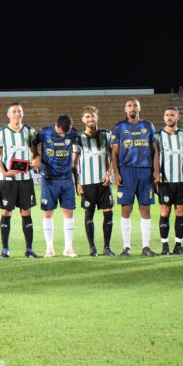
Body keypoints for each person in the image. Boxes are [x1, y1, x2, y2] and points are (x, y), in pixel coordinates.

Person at [110, 98, 160, 257]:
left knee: (145, 207)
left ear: (140, 108)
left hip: (145, 171)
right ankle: (126, 247)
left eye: (135, 106)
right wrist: (116, 173)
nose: (132, 108)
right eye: (129, 106)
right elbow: (115, 153)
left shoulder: (148, 126)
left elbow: (155, 150)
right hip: (126, 171)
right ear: (125, 109)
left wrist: (156, 171)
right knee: (126, 208)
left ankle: (146, 247)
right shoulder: (119, 127)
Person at [0, 101, 39, 259]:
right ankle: (5, 250)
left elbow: (34, 154)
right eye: (14, 112)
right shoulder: (0, 132)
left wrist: (37, 160)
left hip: (25, 179)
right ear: (8, 114)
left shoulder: (30, 131)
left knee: (26, 212)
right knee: (6, 211)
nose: (17, 114)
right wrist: (5, 172)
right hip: (8, 180)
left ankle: (29, 249)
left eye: (20, 111)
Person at [72, 106, 115, 257]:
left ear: (97, 118)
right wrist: (77, 183)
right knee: (89, 214)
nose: (90, 119)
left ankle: (107, 247)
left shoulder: (107, 135)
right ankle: (92, 247)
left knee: (108, 212)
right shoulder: (78, 138)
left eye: (93, 116)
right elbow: (74, 163)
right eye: (87, 117)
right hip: (87, 183)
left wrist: (110, 173)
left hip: (104, 182)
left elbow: (114, 157)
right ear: (83, 119)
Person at [35, 114, 79, 258]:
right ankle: (49, 249)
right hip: (49, 179)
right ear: (56, 125)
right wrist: (36, 157)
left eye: (65, 133)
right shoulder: (44, 132)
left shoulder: (72, 133)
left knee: (68, 212)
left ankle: (68, 248)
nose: (63, 135)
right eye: (61, 132)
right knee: (48, 213)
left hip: (66, 178)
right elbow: (32, 142)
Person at [156, 107, 183, 255]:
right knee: (165, 210)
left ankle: (178, 245)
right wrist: (156, 176)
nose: (169, 118)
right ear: (164, 117)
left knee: (180, 211)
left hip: (182, 180)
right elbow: (155, 157)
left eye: (172, 115)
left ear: (178, 117)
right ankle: (165, 246)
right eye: (167, 115)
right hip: (165, 181)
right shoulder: (158, 136)